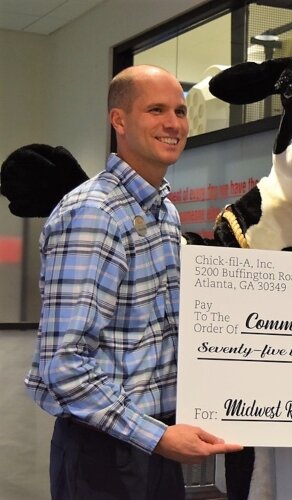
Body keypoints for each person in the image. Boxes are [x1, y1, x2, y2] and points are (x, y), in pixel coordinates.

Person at [24, 64, 242, 500]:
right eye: (156, 110)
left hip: (156, 442)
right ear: (119, 121)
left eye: (180, 111)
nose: (173, 123)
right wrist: (157, 437)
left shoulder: (165, 212)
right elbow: (64, 365)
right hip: (105, 454)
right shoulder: (93, 214)